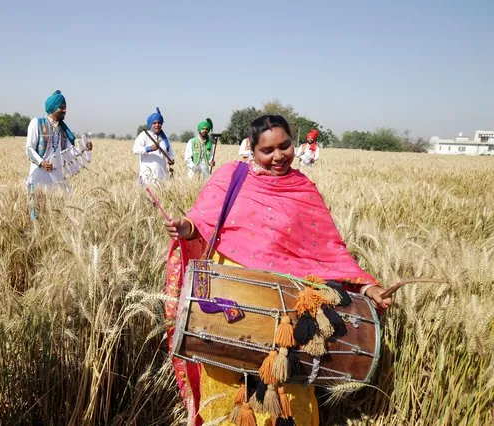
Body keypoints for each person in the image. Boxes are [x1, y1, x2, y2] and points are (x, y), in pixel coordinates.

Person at [163, 115, 392, 426]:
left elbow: (329, 251)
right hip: (228, 306)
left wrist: (366, 287)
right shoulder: (232, 177)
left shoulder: (303, 189)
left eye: (284, 146)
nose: (278, 156)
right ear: (252, 150)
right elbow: (201, 224)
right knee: (227, 390)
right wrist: (184, 227)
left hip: (289, 312)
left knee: (288, 390)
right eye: (267, 150)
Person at [26, 90, 77, 193]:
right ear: (53, 107)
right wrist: (42, 163)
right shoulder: (37, 123)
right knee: (38, 207)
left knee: (63, 205)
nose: (65, 110)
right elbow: (29, 149)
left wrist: (84, 149)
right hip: (39, 176)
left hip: (57, 178)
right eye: (62, 107)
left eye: (65, 107)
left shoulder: (63, 130)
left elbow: (69, 152)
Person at [132, 107, 174, 184]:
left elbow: (170, 152)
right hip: (147, 176)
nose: (157, 125)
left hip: (162, 176)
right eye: (154, 123)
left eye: (159, 123)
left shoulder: (164, 139)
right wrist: (149, 148)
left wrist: (170, 159)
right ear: (150, 124)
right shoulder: (144, 135)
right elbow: (135, 150)